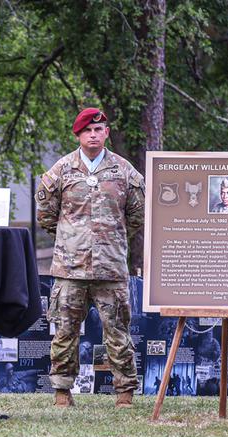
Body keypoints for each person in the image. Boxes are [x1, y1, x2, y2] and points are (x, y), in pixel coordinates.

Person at [36, 107, 145, 408]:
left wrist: (110, 239)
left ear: (106, 133)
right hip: (70, 268)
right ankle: (62, 392)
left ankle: (124, 392)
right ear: (79, 135)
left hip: (110, 269)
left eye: (99, 130)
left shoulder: (124, 172)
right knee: (65, 332)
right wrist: (74, 240)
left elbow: (136, 215)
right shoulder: (61, 171)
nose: (93, 135)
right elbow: (46, 215)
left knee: (118, 331)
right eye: (88, 131)